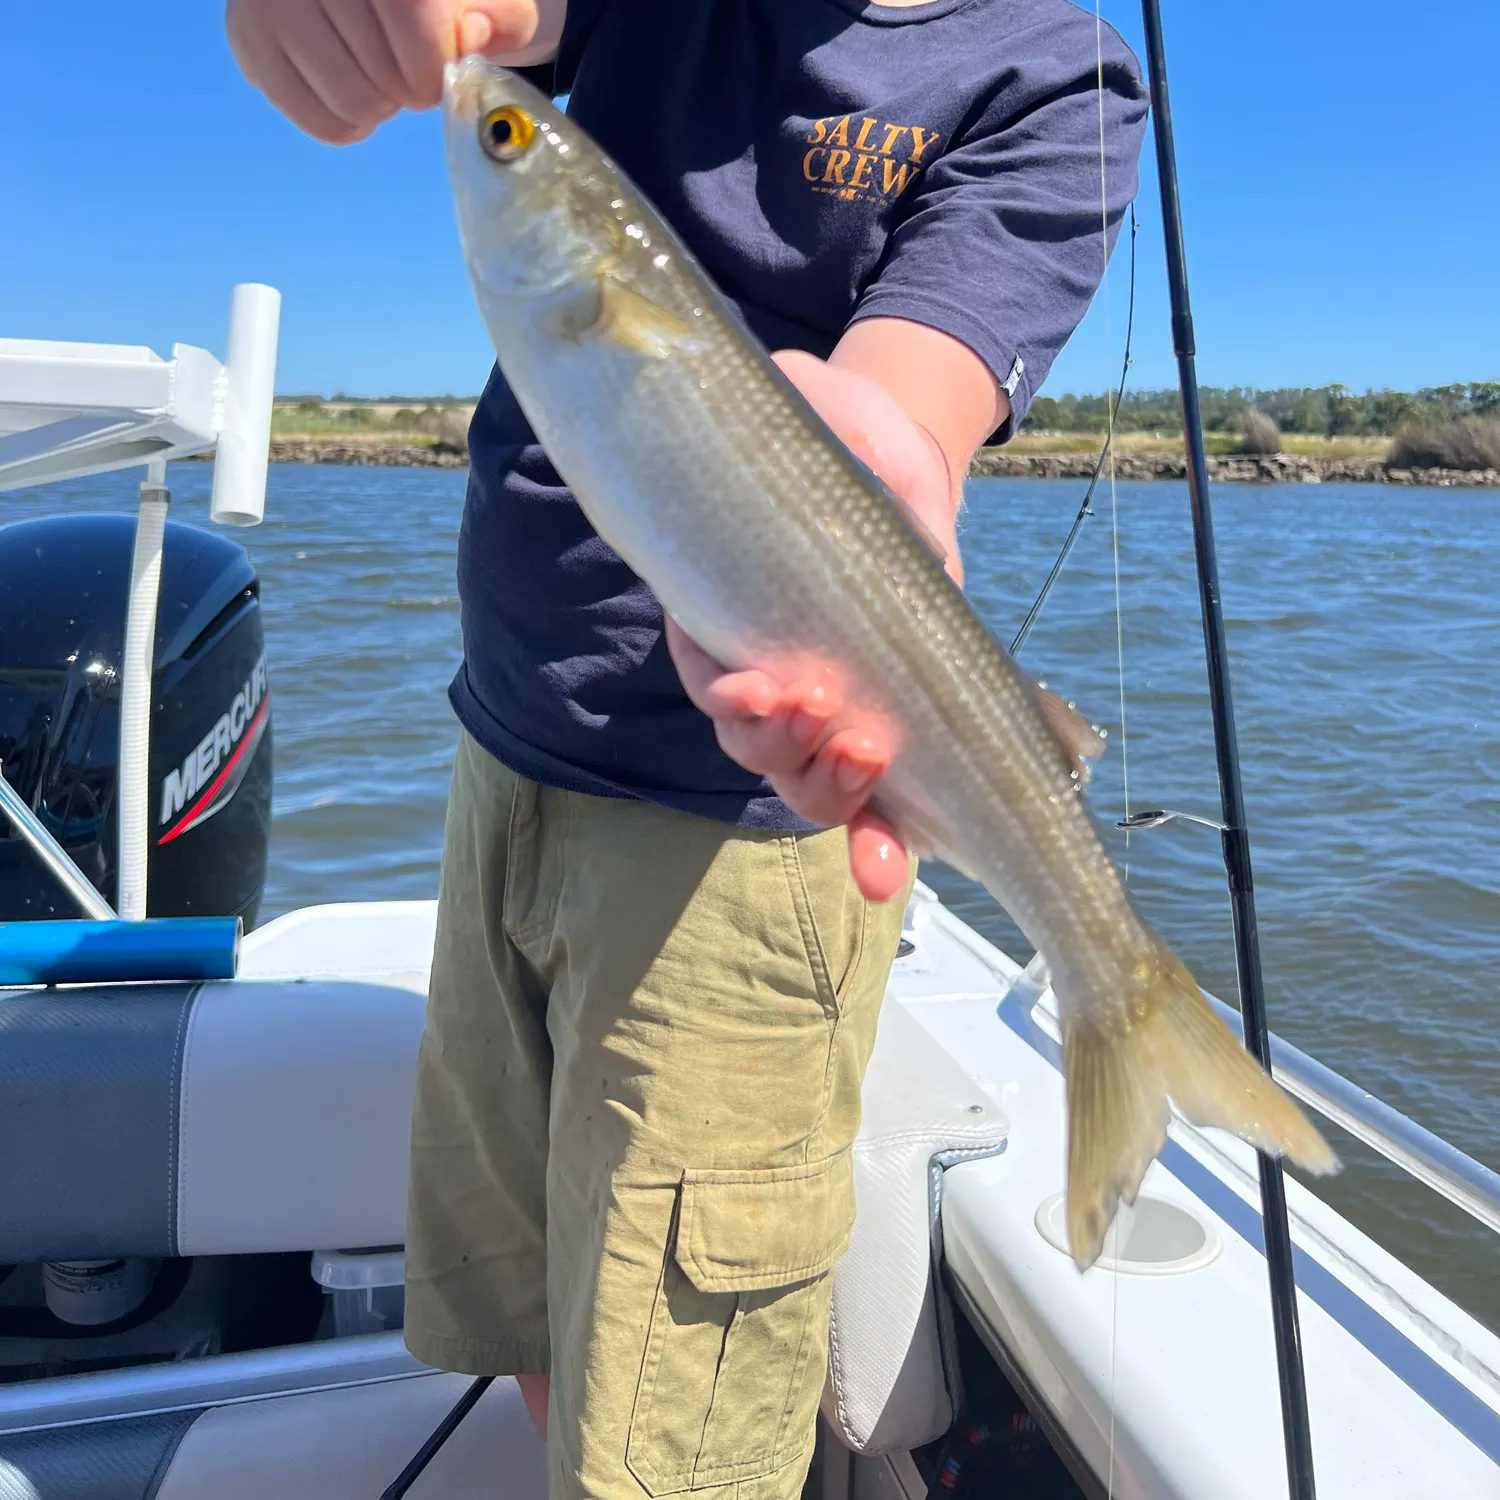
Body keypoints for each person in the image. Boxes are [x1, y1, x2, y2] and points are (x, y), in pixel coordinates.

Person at [226, 1, 1148, 1494]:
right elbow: (500, 18)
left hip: (738, 862)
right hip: (505, 747)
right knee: (529, 1305)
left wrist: (879, 465)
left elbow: (904, 427)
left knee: (672, 1448)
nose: (489, 129)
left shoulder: (1061, 77)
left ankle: (1127, 1002)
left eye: (509, 137)